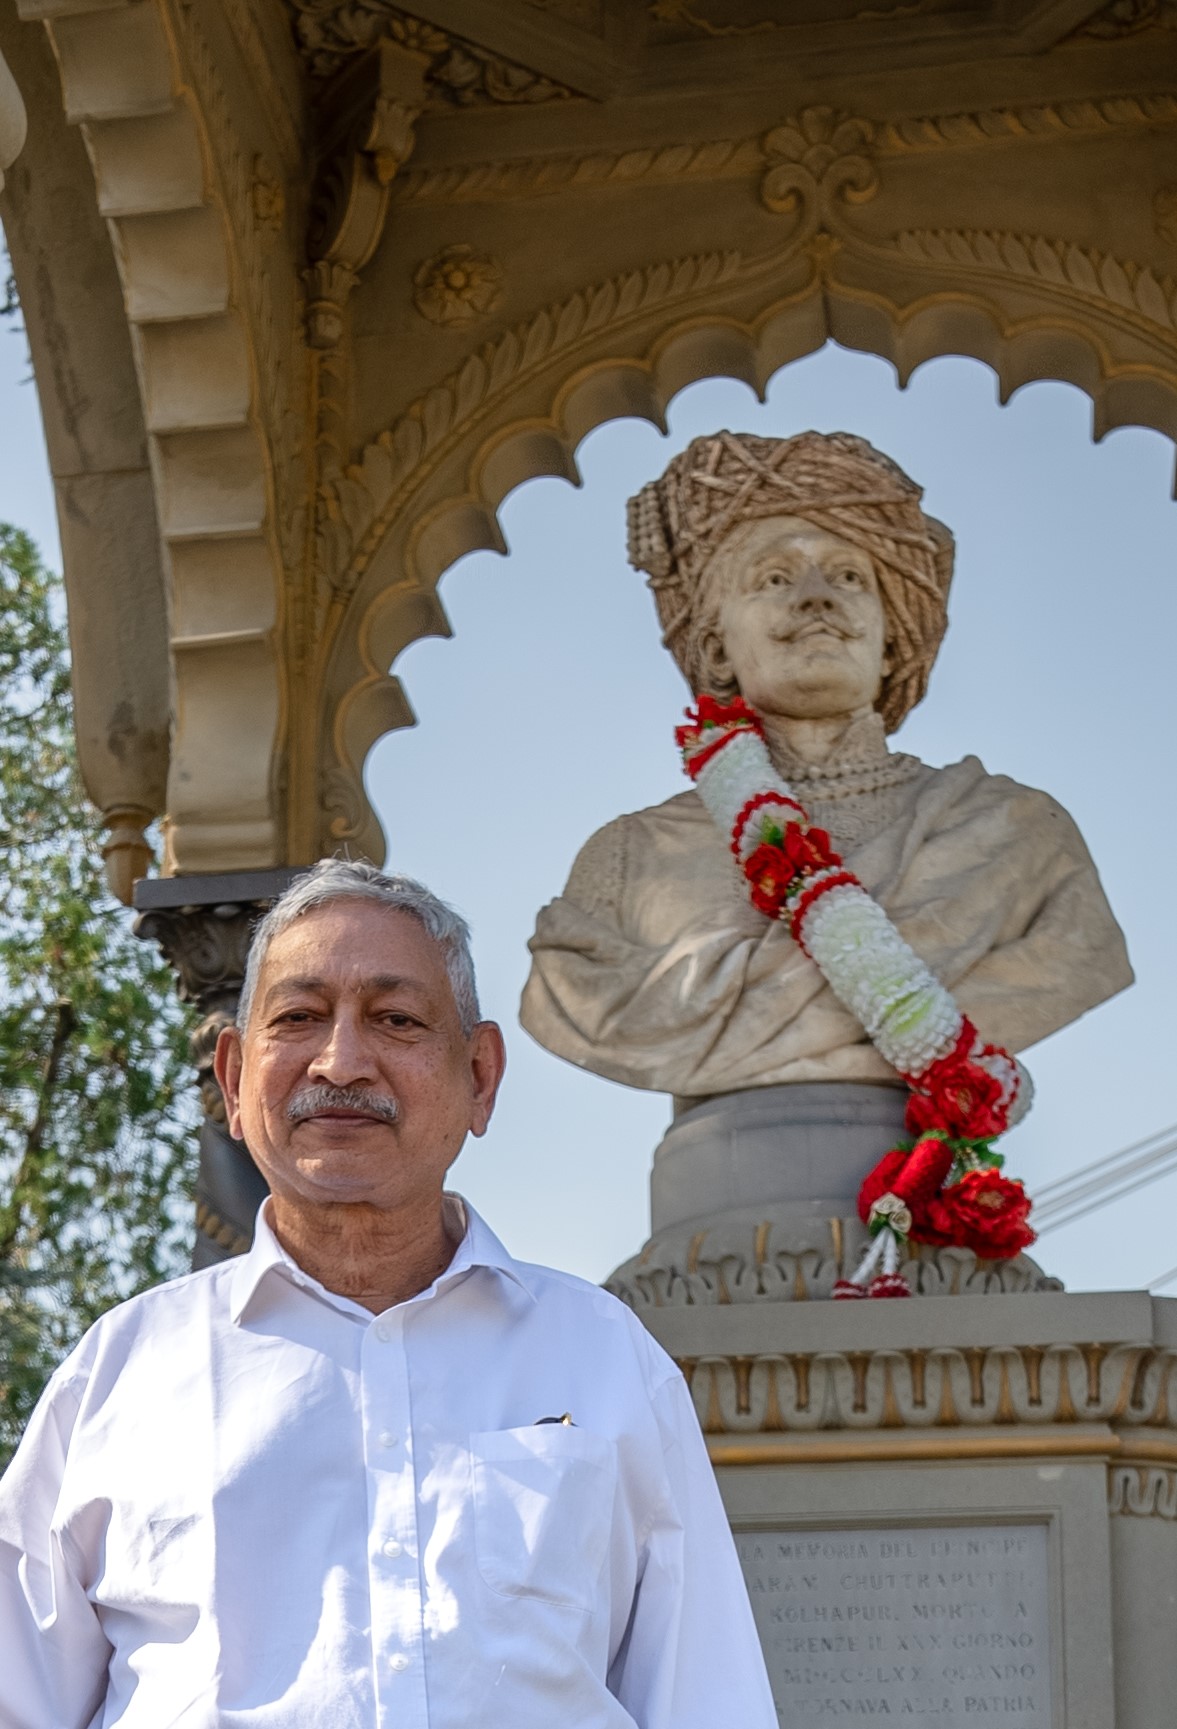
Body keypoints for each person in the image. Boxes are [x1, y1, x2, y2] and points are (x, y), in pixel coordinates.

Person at [0, 860, 777, 1729]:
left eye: (395, 1018)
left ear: (479, 1076)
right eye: (297, 1016)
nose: (339, 1059)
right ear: (231, 1078)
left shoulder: (604, 1359)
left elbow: (706, 1695)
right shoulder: (120, 1375)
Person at [522, 429, 1132, 1105]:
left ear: (892, 639)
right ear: (716, 646)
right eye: (774, 577)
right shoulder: (626, 861)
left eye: (848, 576)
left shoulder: (1018, 834)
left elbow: (1078, 955)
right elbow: (570, 999)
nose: (816, 598)